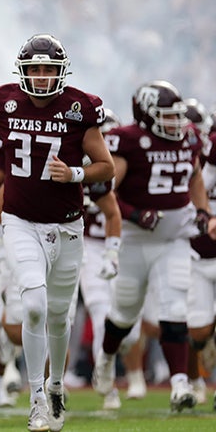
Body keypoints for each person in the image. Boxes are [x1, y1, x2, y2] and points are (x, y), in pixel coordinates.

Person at [0, 34, 114, 432]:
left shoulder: (78, 106)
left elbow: (106, 166)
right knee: (33, 303)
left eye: (47, 69)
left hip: (68, 223)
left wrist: (74, 174)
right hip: (18, 219)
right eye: (33, 69)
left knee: (58, 314)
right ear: (22, 71)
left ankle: (55, 384)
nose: (39, 77)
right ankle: (36, 397)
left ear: (60, 72)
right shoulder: (4, 101)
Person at [92, 80, 214, 413]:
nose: (175, 123)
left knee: (175, 306)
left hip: (174, 238)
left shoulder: (188, 138)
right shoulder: (128, 141)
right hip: (135, 239)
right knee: (124, 313)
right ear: (146, 115)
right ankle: (104, 360)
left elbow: (195, 178)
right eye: (166, 116)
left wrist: (202, 211)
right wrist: (134, 213)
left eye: (177, 116)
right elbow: (104, 189)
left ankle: (179, 385)